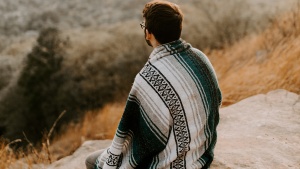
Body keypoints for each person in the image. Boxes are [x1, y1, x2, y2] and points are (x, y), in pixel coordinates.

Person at [85, 0, 222, 168]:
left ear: (148, 33)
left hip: (172, 164)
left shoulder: (149, 78)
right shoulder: (200, 58)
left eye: (144, 26)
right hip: (202, 154)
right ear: (179, 28)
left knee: (92, 160)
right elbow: (216, 103)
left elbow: (140, 139)